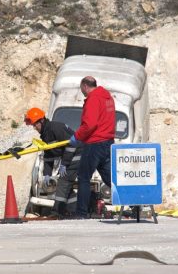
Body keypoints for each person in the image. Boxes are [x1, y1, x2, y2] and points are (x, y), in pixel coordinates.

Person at [69, 76, 116, 219]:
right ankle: (135, 203)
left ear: (84, 86)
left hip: (94, 143)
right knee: (110, 178)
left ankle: (81, 213)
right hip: (108, 142)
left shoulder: (93, 99)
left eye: (81, 88)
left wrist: (77, 136)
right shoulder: (107, 98)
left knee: (83, 177)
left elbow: (90, 124)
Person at [24, 107, 82, 217]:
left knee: (63, 182)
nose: (34, 128)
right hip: (70, 157)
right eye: (33, 125)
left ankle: (57, 212)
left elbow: (71, 144)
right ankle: (73, 210)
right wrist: (47, 174)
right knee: (66, 185)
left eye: (35, 124)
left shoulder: (56, 127)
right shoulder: (46, 134)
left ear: (41, 120)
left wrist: (64, 164)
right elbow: (49, 156)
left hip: (78, 154)